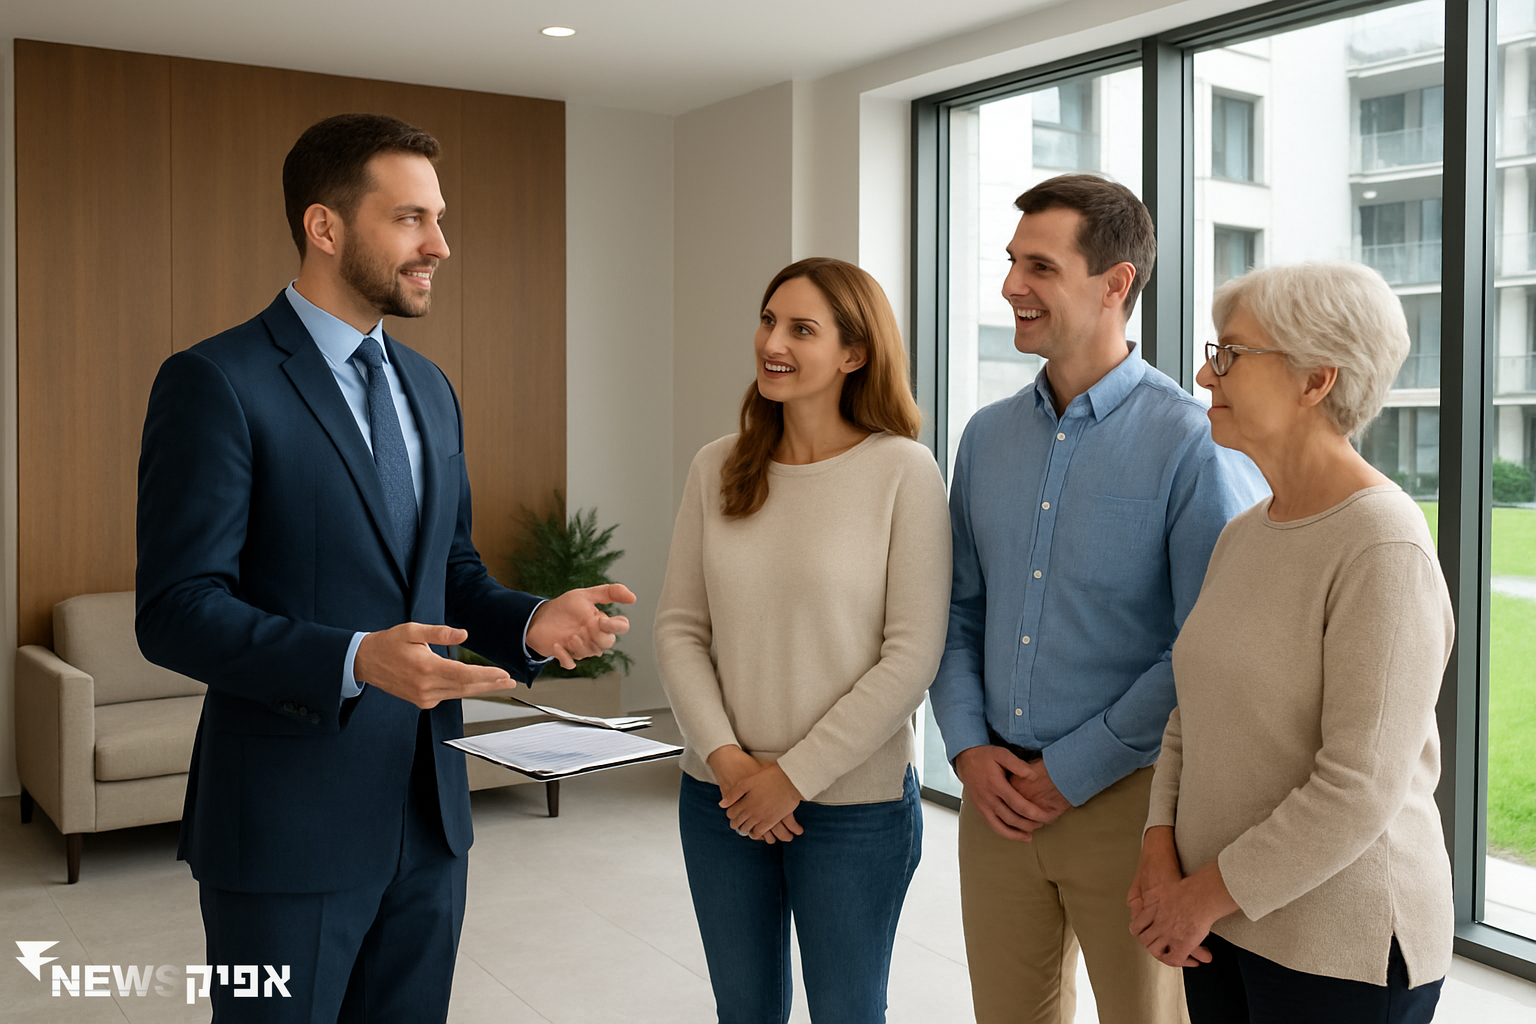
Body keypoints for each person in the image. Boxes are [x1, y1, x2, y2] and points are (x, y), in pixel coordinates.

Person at [135, 113, 634, 1022]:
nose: (439, 245)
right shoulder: (216, 381)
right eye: (410, 219)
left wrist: (532, 621)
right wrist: (356, 658)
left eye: (439, 219)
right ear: (324, 227)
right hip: (287, 829)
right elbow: (177, 609)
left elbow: (450, 571)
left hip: (429, 822)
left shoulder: (429, 389)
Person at [927, 173, 1266, 1024]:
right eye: (1012, 262)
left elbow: (1204, 644)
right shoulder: (985, 438)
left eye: (1039, 266)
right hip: (994, 800)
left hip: (1133, 809)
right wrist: (966, 749)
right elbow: (959, 610)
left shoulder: (1192, 444)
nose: (1011, 285)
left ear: (1116, 283)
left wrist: (1072, 772)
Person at [1128, 261, 1454, 1023]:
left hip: (1339, 948)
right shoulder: (1246, 531)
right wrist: (1157, 849)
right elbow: (1190, 714)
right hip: (1220, 924)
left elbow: (1358, 787)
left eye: (1232, 354)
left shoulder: (1383, 542)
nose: (1205, 374)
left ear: (1316, 380)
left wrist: (1198, 898)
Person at [653, 257, 951, 1023]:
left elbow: (912, 655)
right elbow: (680, 628)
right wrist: (728, 764)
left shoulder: (904, 472)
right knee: (743, 1011)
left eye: (801, 329)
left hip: (855, 807)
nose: (772, 342)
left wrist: (793, 777)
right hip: (720, 798)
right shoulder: (717, 466)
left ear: (855, 353)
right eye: (767, 321)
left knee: (849, 1012)